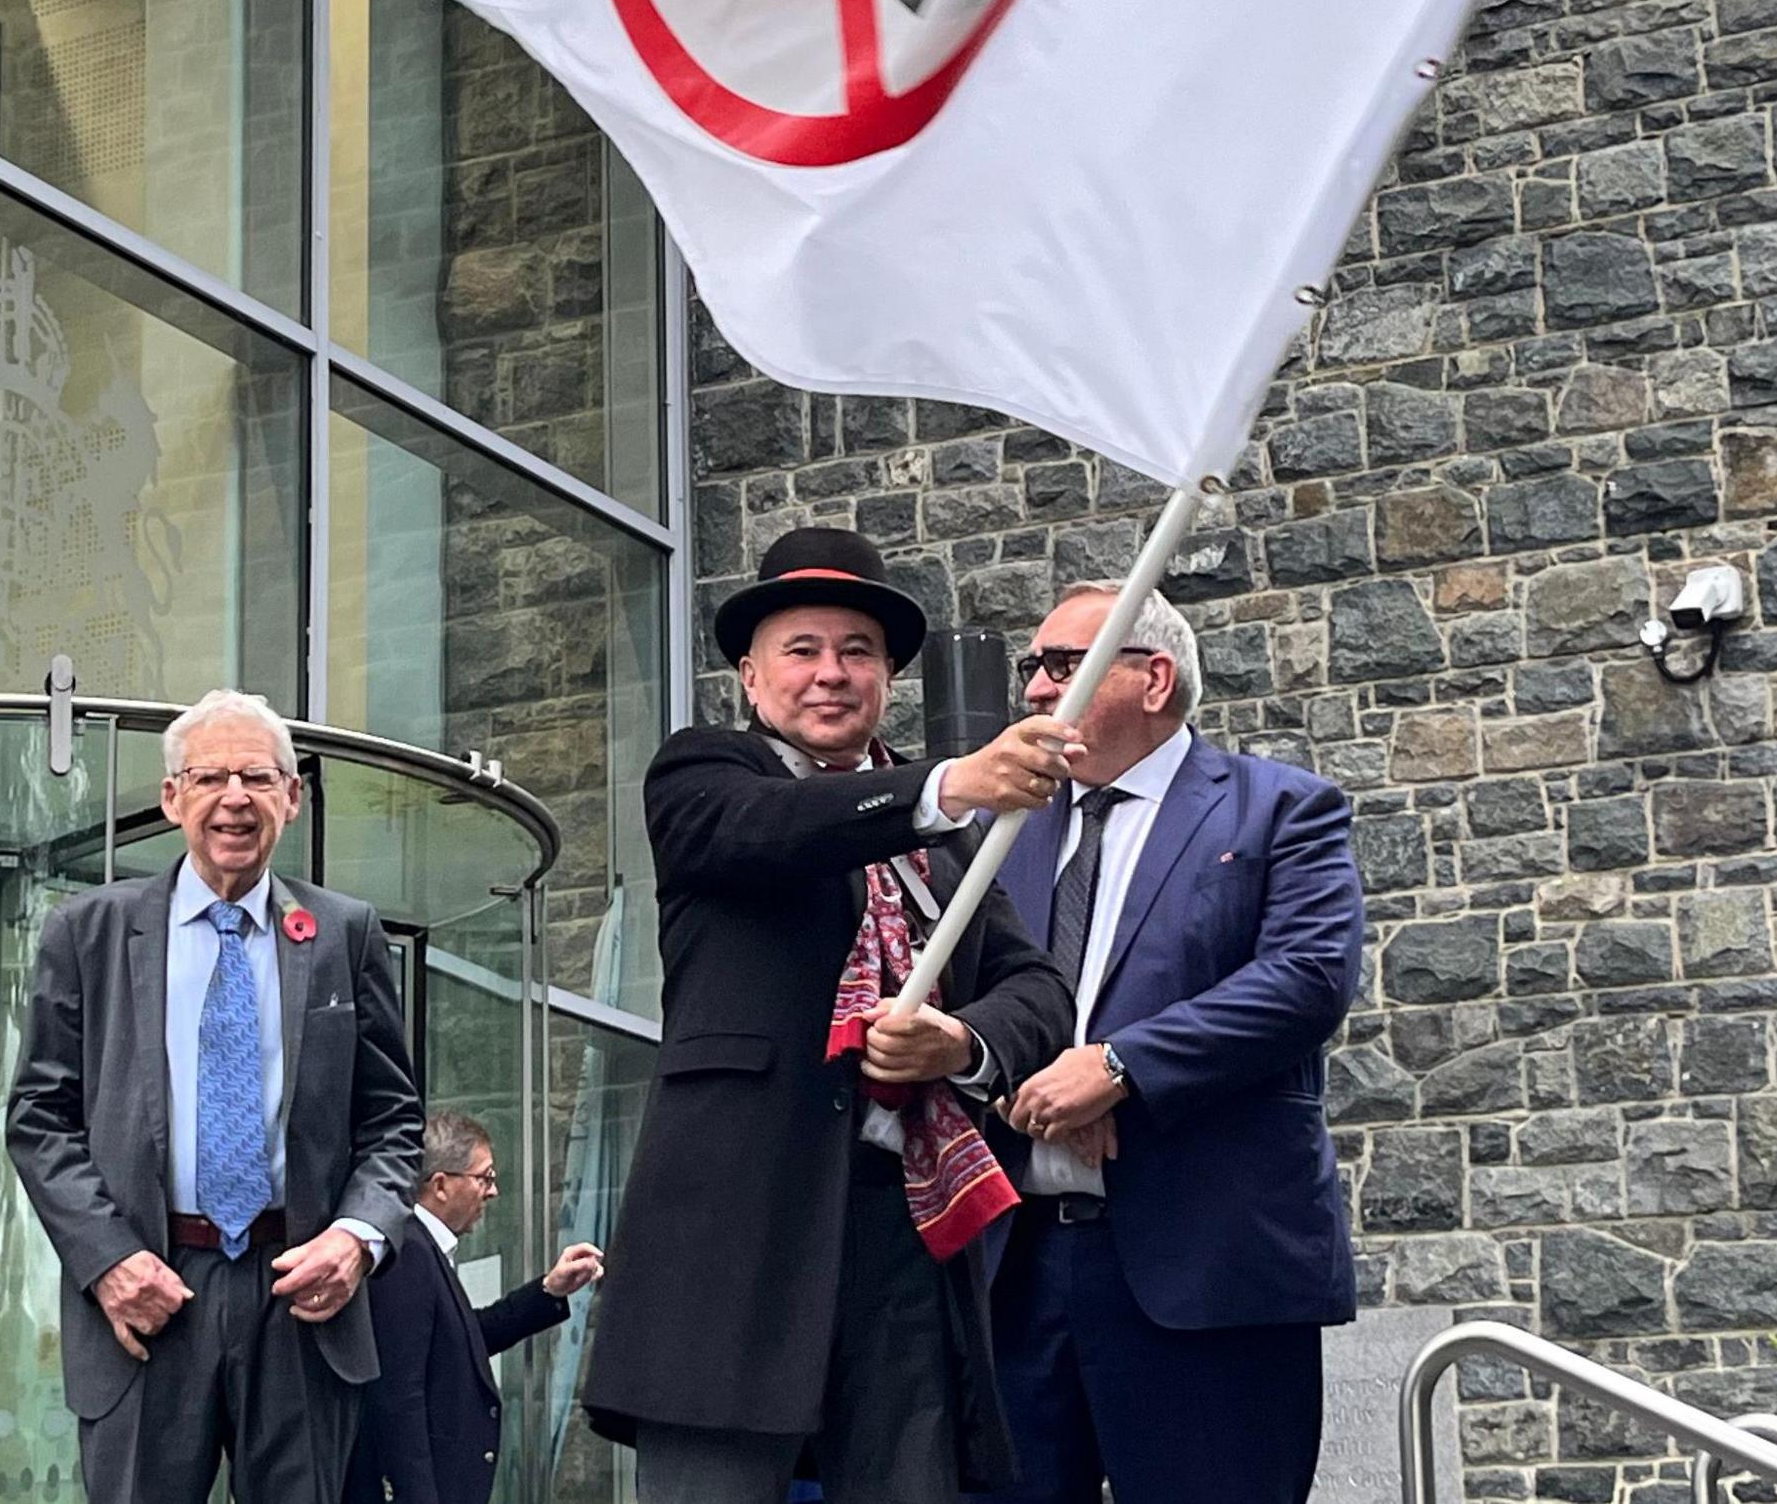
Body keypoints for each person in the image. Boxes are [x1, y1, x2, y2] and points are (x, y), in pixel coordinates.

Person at [580, 527, 1082, 1504]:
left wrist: (962, 1041)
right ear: (751, 674)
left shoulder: (951, 851)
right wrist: (946, 783)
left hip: (902, 1234)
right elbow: (767, 832)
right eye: (801, 649)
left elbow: (1039, 988)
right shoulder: (705, 775)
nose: (830, 673)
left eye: (857, 650)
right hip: (734, 1234)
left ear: (888, 674)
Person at [981, 581, 1368, 1504]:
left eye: (1063, 665)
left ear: (1155, 678)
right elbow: (962, 995)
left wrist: (1119, 1070)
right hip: (1016, 1269)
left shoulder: (1279, 810)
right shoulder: (997, 836)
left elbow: (1308, 976)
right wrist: (1020, 1081)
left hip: (1204, 1268)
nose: (1036, 689)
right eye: (1032, 668)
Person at [7, 688, 427, 1504]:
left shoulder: (345, 932)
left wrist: (359, 1237)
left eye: (259, 777)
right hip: (149, 1292)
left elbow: (392, 1118)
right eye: (210, 777)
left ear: (292, 798)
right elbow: (39, 1118)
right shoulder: (88, 932)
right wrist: (108, 1260)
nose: (235, 796)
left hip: (300, 1295)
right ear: (172, 797)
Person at [343, 1110, 607, 1504]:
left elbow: (461, 1340)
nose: (493, 1191)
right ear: (441, 1185)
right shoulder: (410, 1253)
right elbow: (399, 1393)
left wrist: (550, 1290)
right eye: (484, 1177)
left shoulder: (425, 1248)